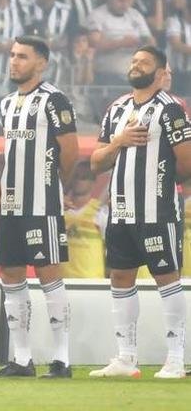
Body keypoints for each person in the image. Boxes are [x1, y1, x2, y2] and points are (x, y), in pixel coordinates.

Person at [89, 46, 191, 379]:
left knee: (167, 279)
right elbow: (96, 162)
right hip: (120, 213)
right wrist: (118, 142)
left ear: (160, 73)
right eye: (134, 61)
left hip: (157, 211)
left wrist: (161, 187)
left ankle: (175, 359)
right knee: (120, 278)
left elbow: (186, 161)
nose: (136, 65)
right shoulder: (116, 109)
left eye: (144, 62)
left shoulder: (171, 109)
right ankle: (126, 358)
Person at [0, 35, 79, 379]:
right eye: (12, 55)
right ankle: (22, 359)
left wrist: (56, 187)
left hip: (42, 203)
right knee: (10, 274)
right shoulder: (7, 103)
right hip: (10, 204)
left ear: (41, 63)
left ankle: (62, 359)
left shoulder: (54, 100)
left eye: (22, 56)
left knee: (48, 273)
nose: (13, 61)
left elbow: (70, 153)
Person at [63, 163, 107, 279]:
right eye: (76, 176)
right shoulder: (59, 210)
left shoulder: (100, 211)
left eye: (84, 177)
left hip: (92, 281)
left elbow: (111, 249)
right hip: (63, 280)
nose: (79, 181)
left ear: (93, 182)